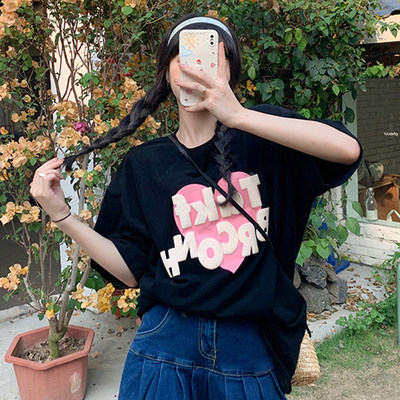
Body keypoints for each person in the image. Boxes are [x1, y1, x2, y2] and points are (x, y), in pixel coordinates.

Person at [30, 14, 362, 400]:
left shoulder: (265, 136)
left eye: (211, 59)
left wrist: (239, 116)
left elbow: (347, 150)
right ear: (167, 73)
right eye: (184, 59)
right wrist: (62, 215)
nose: (197, 70)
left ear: (231, 74)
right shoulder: (143, 165)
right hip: (164, 341)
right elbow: (131, 271)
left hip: (248, 345)